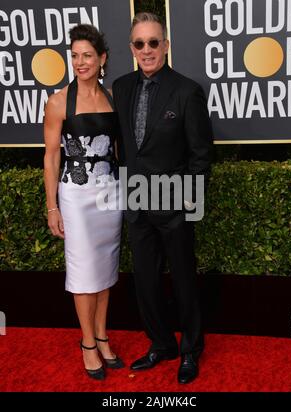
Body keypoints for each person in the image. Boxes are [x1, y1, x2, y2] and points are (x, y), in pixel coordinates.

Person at [112, 12, 213, 384]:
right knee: (146, 280)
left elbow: (201, 155)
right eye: (140, 44)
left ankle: (189, 350)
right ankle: (160, 344)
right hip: (136, 203)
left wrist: (186, 202)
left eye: (154, 42)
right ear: (131, 49)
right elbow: (125, 147)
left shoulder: (187, 90)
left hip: (174, 205)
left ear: (166, 45)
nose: (147, 50)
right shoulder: (121, 87)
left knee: (184, 279)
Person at [43, 24, 124, 381]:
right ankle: (88, 343)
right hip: (75, 197)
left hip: (111, 193)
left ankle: (103, 336)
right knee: (82, 271)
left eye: (87, 55)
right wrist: (52, 207)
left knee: (105, 269)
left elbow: (120, 150)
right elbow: (50, 159)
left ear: (102, 58)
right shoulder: (59, 101)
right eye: (74, 56)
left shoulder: (113, 98)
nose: (80, 62)